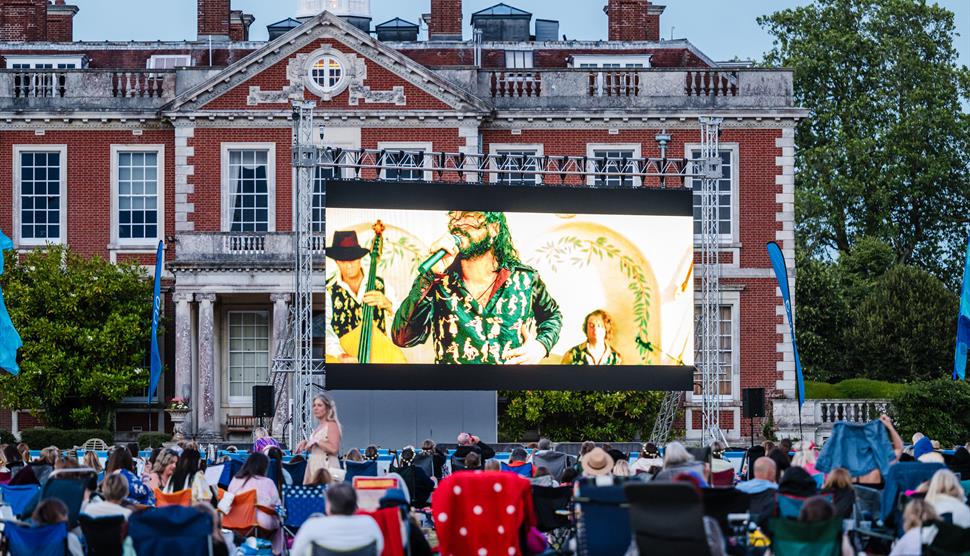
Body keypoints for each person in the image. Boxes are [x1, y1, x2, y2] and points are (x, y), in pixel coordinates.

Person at [392, 210, 563, 365]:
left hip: (509, 393)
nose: (458, 224)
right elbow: (403, 338)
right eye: (454, 217)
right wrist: (430, 276)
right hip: (458, 394)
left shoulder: (525, 278)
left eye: (468, 216)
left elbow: (552, 316)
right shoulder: (436, 280)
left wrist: (541, 346)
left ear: (494, 228)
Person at [324, 230, 398, 364]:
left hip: (379, 357)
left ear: (359, 258)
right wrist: (340, 354)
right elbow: (326, 328)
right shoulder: (328, 290)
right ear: (336, 261)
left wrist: (388, 305)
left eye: (352, 259)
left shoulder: (381, 285)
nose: (348, 265)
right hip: (344, 358)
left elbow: (403, 326)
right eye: (342, 260)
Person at [290, 483, 384, 556]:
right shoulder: (369, 523)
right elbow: (378, 549)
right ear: (355, 504)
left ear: (329, 505)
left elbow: (296, 553)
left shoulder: (312, 526)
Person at [227, 452, 283, 553]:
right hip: (259, 524)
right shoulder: (268, 482)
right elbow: (277, 505)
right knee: (280, 521)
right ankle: (276, 551)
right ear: (264, 467)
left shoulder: (235, 480)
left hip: (234, 521)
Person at [296, 394, 343, 484]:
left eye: (319, 405)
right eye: (314, 405)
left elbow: (334, 449)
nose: (315, 408)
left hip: (328, 467)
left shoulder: (332, 425)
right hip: (314, 466)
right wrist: (306, 443)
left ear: (327, 408)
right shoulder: (319, 426)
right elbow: (318, 446)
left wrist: (317, 441)